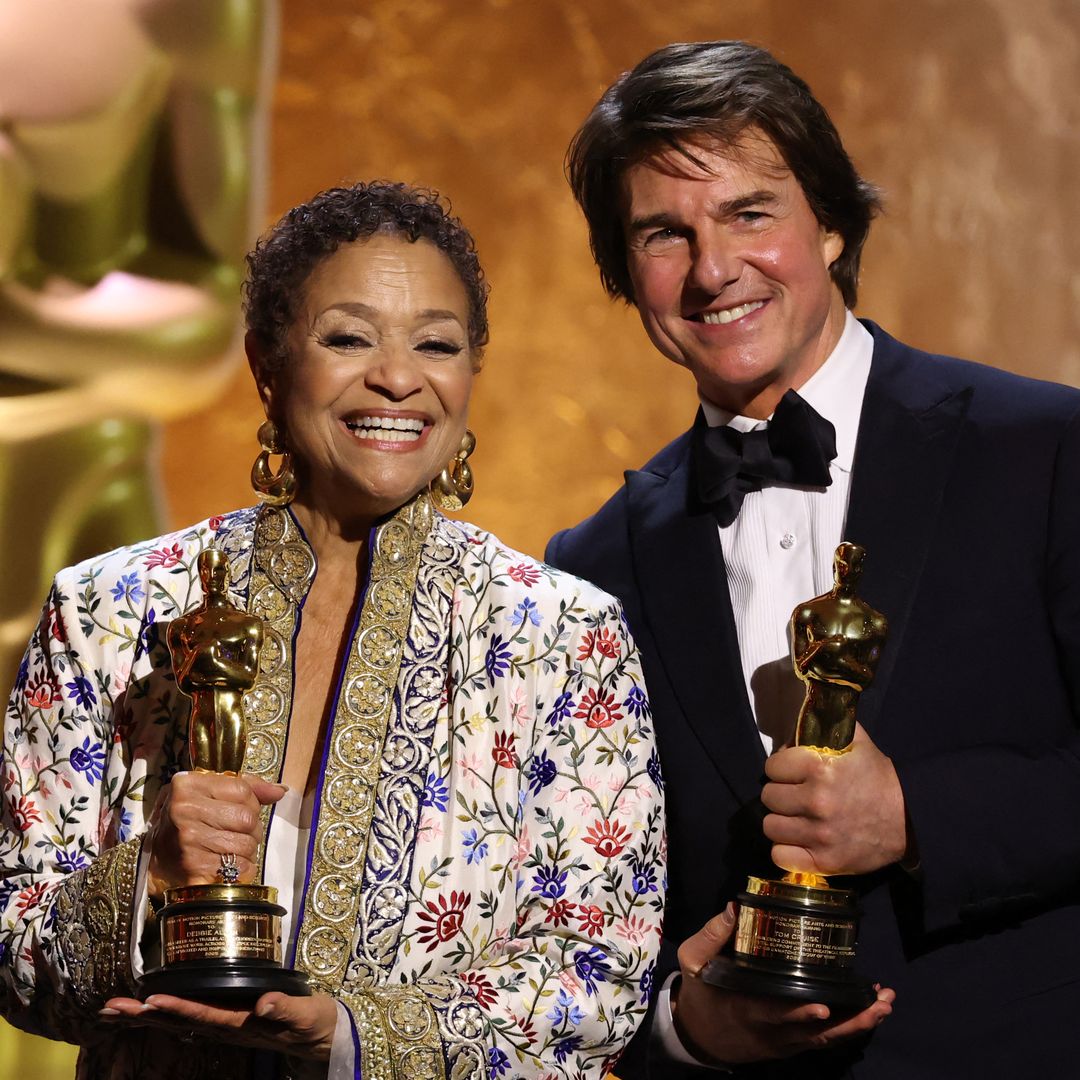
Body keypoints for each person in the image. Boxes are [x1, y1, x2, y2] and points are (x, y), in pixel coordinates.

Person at [0, 181, 665, 1079]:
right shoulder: (110, 611)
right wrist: (146, 875)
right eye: (348, 337)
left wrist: (345, 1038)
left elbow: (599, 979)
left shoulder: (565, 635)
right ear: (267, 366)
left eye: (438, 344)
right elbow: (10, 945)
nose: (398, 376)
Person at [547, 40, 1080, 1078]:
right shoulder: (595, 565)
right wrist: (686, 1034)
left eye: (751, 213)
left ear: (830, 224)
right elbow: (595, 922)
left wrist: (918, 817)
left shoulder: (1046, 450)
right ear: (627, 274)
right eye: (665, 233)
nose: (712, 271)